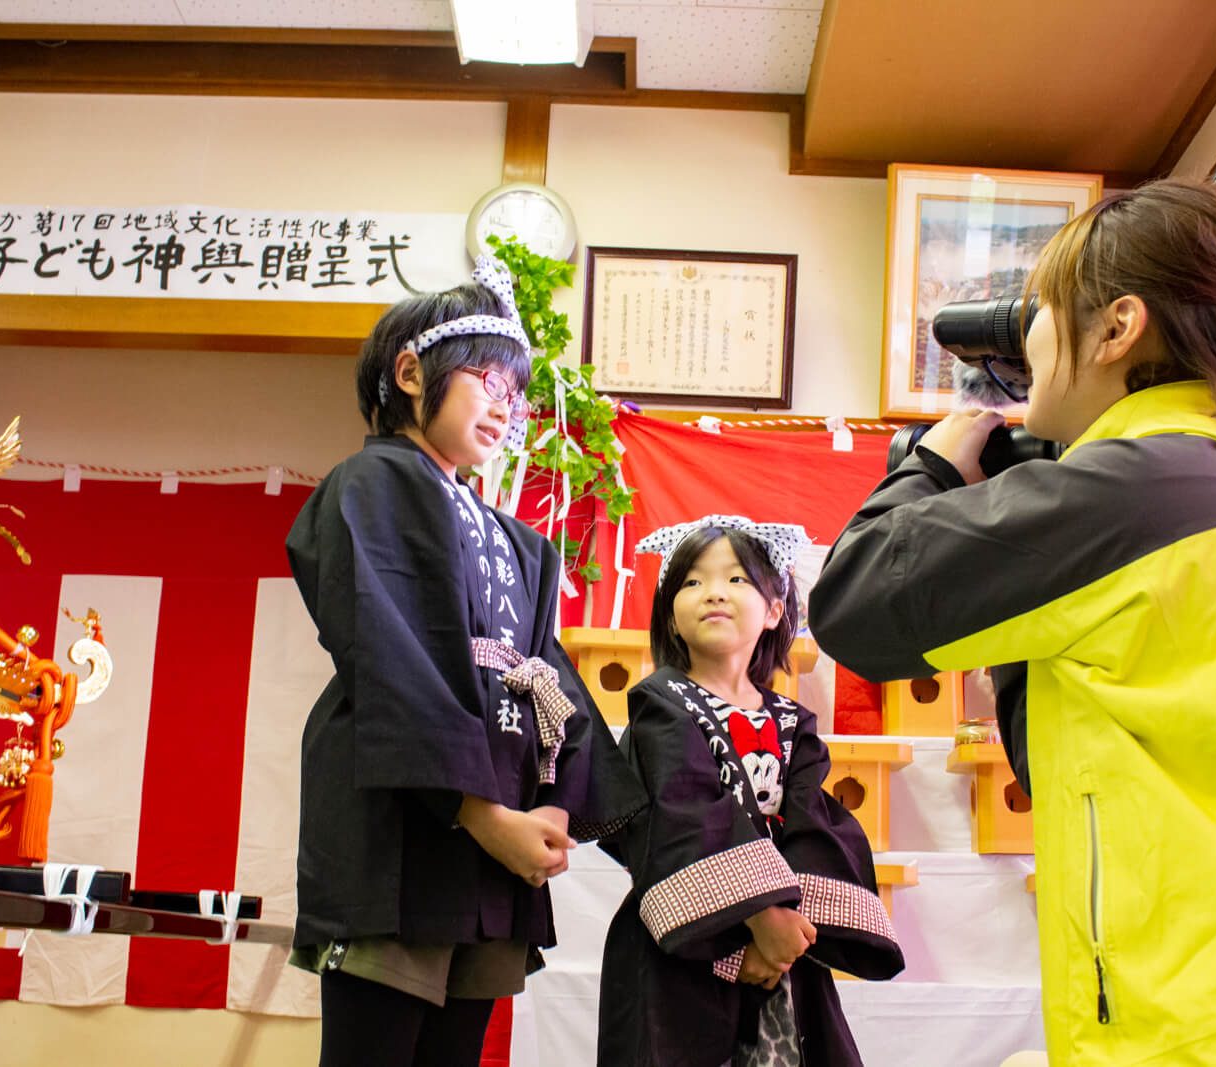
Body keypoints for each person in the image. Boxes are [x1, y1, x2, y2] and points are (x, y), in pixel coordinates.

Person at [810, 178, 1216, 1065]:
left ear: (1117, 328)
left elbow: (856, 601)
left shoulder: (1133, 490)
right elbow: (1063, 753)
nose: (1027, 339)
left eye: (1043, 313)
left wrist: (926, 469)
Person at [286, 256, 645, 1067]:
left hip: (502, 843)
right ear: (411, 372)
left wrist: (552, 807)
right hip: (407, 828)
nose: (505, 408)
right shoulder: (369, 485)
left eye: (515, 395)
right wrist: (485, 816)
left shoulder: (524, 544)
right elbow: (390, 652)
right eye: (489, 379)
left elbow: (551, 679)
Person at [598, 515, 904, 1067]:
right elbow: (681, 812)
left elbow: (811, 823)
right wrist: (756, 923)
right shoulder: (662, 702)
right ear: (670, 613)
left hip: (783, 950)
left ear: (775, 609)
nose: (713, 592)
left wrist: (785, 929)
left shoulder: (793, 721)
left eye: (737, 579)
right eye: (691, 582)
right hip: (686, 943)